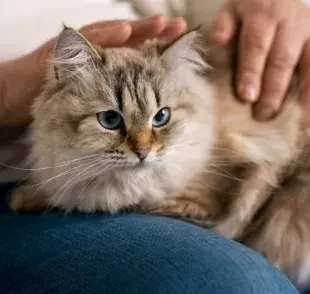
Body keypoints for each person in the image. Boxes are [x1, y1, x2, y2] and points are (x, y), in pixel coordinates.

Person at [0, 0, 309, 292]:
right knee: (232, 282)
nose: (142, 146)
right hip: (18, 175)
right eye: (111, 120)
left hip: (167, 62)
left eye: (159, 119)